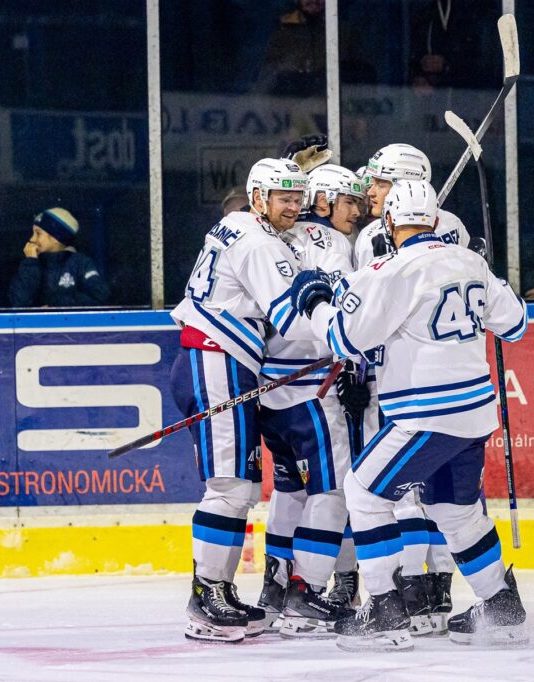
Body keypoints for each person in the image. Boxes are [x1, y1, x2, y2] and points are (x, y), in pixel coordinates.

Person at [290, 179, 530, 651]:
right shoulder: (470, 262)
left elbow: (345, 340)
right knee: (455, 510)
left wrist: (315, 304)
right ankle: (501, 606)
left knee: (363, 492)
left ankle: (383, 609)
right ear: (435, 220)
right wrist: (487, 276)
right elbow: (516, 324)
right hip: (474, 412)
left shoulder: (392, 271)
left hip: (426, 414)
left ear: (389, 222)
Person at [169, 158, 317, 643]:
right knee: (230, 487)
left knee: (243, 488)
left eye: (298, 198)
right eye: (284, 198)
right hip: (216, 360)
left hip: (219, 360)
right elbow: (291, 319)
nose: (293, 207)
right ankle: (205, 596)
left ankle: (220, 590)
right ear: (258, 198)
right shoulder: (260, 243)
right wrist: (352, 330)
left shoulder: (239, 224)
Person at [352, 143, 467, 636]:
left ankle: (412, 590)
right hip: (449, 383)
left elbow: (365, 316)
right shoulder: (454, 228)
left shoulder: (375, 237)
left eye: (380, 182)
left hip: (405, 382)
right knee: (436, 492)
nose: (371, 191)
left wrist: (353, 363)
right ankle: (433, 590)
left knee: (399, 490)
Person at [256, 163, 369, 638]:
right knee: (335, 491)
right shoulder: (332, 244)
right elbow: (343, 313)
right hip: (313, 391)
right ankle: (309, 592)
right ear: (322, 200)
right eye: (349, 202)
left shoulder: (271, 236)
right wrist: (356, 362)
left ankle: (275, 589)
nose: (357, 212)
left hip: (271, 390)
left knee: (289, 491)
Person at [8, 208, 111, 308]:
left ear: (56, 238)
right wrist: (30, 263)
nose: (32, 239)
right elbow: (18, 303)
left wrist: (58, 305)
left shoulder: (81, 263)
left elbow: (100, 296)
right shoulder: (29, 263)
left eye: (38, 233)